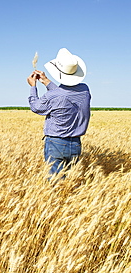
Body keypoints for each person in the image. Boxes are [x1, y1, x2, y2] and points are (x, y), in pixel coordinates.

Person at [27, 48, 91, 178]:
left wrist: (33, 87)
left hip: (56, 143)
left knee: (56, 185)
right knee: (70, 182)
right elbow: (64, 96)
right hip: (76, 144)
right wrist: (46, 81)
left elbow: (36, 107)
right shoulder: (84, 90)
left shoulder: (53, 96)